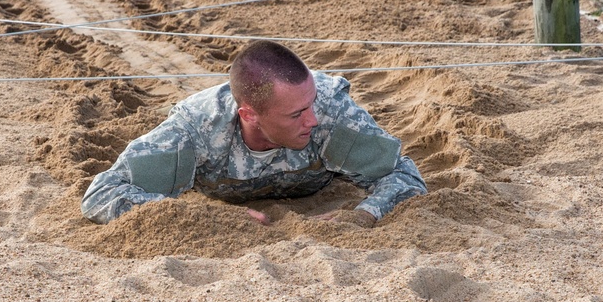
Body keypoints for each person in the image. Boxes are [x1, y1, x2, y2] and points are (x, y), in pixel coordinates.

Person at [81, 40, 426, 226]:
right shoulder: (196, 128)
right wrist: (210, 218)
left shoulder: (330, 110)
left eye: (312, 104)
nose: (313, 121)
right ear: (249, 115)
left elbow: (404, 175)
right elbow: (102, 194)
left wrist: (364, 214)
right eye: (296, 114)